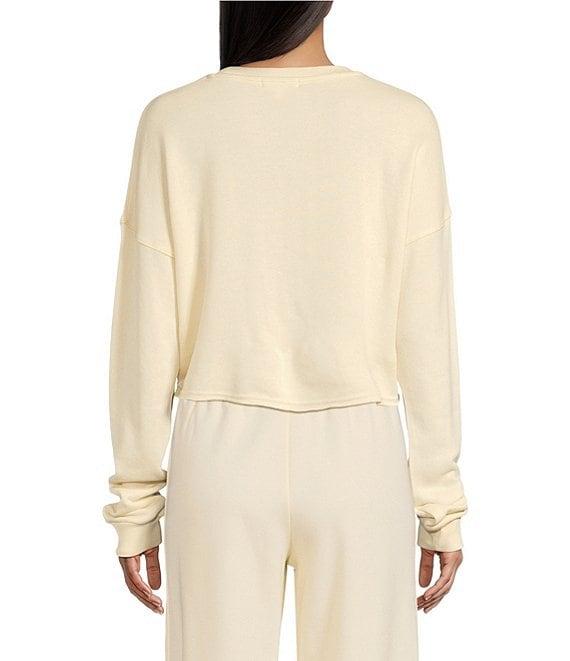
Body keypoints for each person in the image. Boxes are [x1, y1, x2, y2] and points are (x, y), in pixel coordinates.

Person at [103, 2, 467, 659]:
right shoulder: (403, 122)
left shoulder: (174, 122)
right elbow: (426, 328)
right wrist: (439, 502)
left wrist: (137, 504)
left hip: (220, 454)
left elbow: (146, 325)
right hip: (360, 456)